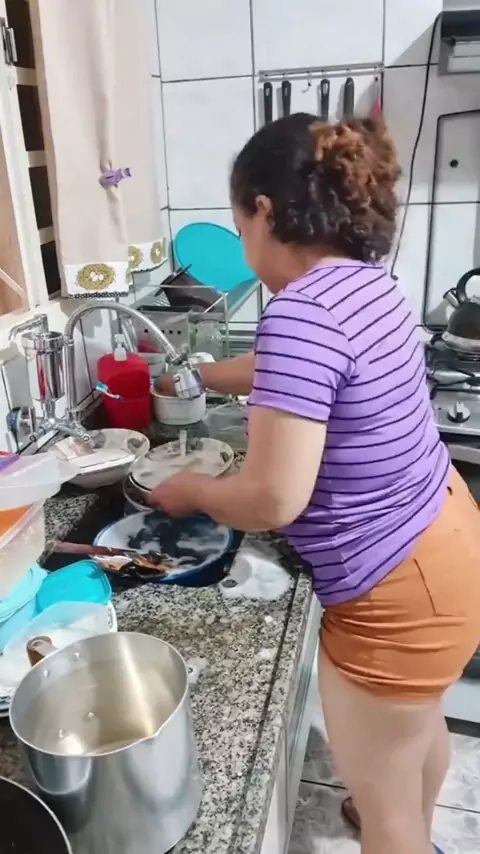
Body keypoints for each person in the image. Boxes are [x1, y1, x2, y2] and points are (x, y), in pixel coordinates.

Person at [151, 113, 480, 854]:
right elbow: (294, 370)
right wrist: (201, 375)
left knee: (388, 808)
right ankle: (410, 819)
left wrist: (193, 491)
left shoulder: (301, 312)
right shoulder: (363, 285)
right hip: (450, 542)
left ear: (265, 211)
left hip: (396, 591)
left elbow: (273, 499)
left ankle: (402, 830)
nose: (243, 241)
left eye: (239, 225)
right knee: (416, 730)